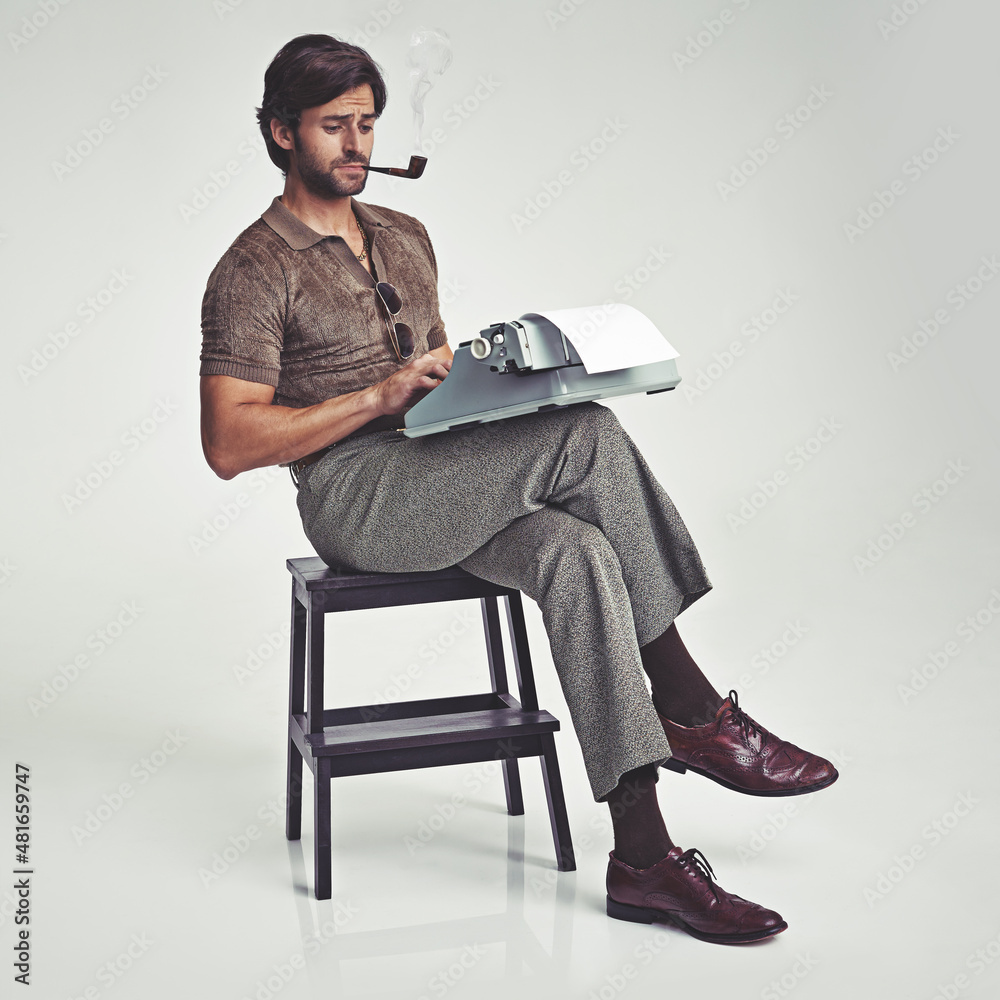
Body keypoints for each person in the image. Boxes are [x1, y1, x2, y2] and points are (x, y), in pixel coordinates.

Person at [199, 33, 838, 946]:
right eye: (333, 126)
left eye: (368, 125)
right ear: (279, 134)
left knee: (575, 551)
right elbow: (227, 443)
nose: (356, 145)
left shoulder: (405, 236)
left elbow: (434, 386)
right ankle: (695, 711)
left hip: (439, 469)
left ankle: (645, 860)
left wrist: (491, 388)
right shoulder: (252, 270)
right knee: (584, 437)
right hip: (354, 498)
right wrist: (375, 396)